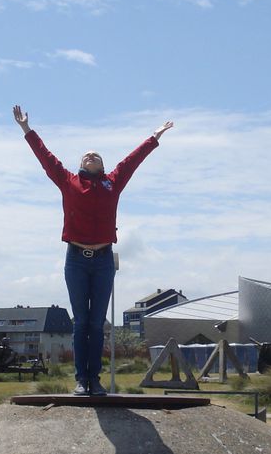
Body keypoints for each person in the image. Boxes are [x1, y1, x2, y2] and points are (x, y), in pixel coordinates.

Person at [13, 105, 173, 396]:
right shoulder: (68, 181)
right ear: (81, 164)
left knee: (97, 324)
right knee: (81, 323)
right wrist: (27, 130)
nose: (91, 156)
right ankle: (80, 380)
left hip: (102, 261)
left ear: (101, 166)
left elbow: (132, 161)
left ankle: (95, 380)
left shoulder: (113, 182)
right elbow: (46, 158)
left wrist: (154, 136)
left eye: (96, 155)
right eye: (86, 155)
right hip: (75, 259)